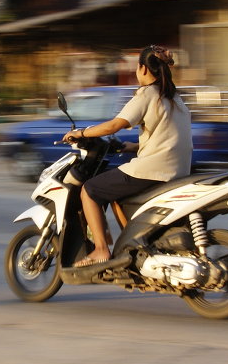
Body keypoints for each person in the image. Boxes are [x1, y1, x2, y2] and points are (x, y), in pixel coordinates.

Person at [61, 44, 193, 267]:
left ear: (142, 68)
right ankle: (133, 243)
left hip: (154, 169)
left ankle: (101, 250)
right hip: (178, 169)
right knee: (115, 191)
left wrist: (80, 133)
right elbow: (165, 134)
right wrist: (132, 146)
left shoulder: (148, 94)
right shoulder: (173, 97)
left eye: (136, 67)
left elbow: (114, 125)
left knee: (90, 190)